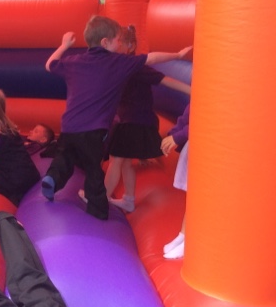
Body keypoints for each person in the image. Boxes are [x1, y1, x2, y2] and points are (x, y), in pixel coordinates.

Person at [41, 15, 193, 220]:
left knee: (70, 156)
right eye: (117, 40)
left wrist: (64, 45)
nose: (119, 44)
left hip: (73, 125)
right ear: (106, 42)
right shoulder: (117, 62)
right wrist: (177, 54)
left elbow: (50, 64)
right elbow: (153, 58)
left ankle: (54, 178)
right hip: (98, 128)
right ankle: (100, 207)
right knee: (97, 167)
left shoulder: (79, 60)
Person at [102, 25, 191, 213]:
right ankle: (128, 200)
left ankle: (101, 198)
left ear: (130, 46)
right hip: (129, 119)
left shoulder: (136, 67)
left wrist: (191, 90)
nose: (114, 47)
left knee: (116, 159)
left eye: (118, 43)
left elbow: (165, 80)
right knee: (125, 162)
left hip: (136, 120)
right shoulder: (117, 66)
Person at [161, 102, 190, 259]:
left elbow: (206, 121)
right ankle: (183, 235)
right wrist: (173, 134)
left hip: (208, 144)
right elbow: (188, 116)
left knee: (200, 198)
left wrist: (177, 137)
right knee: (193, 197)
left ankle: (189, 239)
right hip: (195, 144)